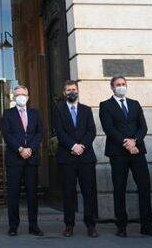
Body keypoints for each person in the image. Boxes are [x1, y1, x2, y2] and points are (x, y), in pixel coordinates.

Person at [99, 76, 152, 237]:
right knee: (119, 188)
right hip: (118, 152)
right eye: (118, 84)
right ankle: (121, 226)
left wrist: (135, 141)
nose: (121, 87)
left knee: (144, 187)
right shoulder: (105, 105)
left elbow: (143, 127)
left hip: (137, 151)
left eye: (123, 84)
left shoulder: (135, 104)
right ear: (112, 87)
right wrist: (126, 143)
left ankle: (147, 226)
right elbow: (108, 128)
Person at [52, 80, 98, 238]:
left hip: (86, 157)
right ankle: (69, 225)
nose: (71, 92)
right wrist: (73, 146)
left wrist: (82, 146)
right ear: (64, 93)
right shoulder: (59, 110)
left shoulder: (86, 110)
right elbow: (59, 131)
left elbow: (91, 131)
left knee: (89, 192)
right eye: (68, 90)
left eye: (73, 89)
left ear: (77, 91)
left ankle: (91, 225)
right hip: (67, 157)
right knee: (68, 193)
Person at [1, 85, 44, 237]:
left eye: (23, 94)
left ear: (28, 96)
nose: (21, 96)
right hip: (14, 159)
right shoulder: (7, 114)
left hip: (31, 159)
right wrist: (20, 149)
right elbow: (7, 134)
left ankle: (34, 226)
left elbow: (39, 133)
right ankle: (13, 226)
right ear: (13, 97)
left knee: (32, 194)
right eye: (17, 94)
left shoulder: (35, 113)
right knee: (13, 194)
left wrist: (30, 149)